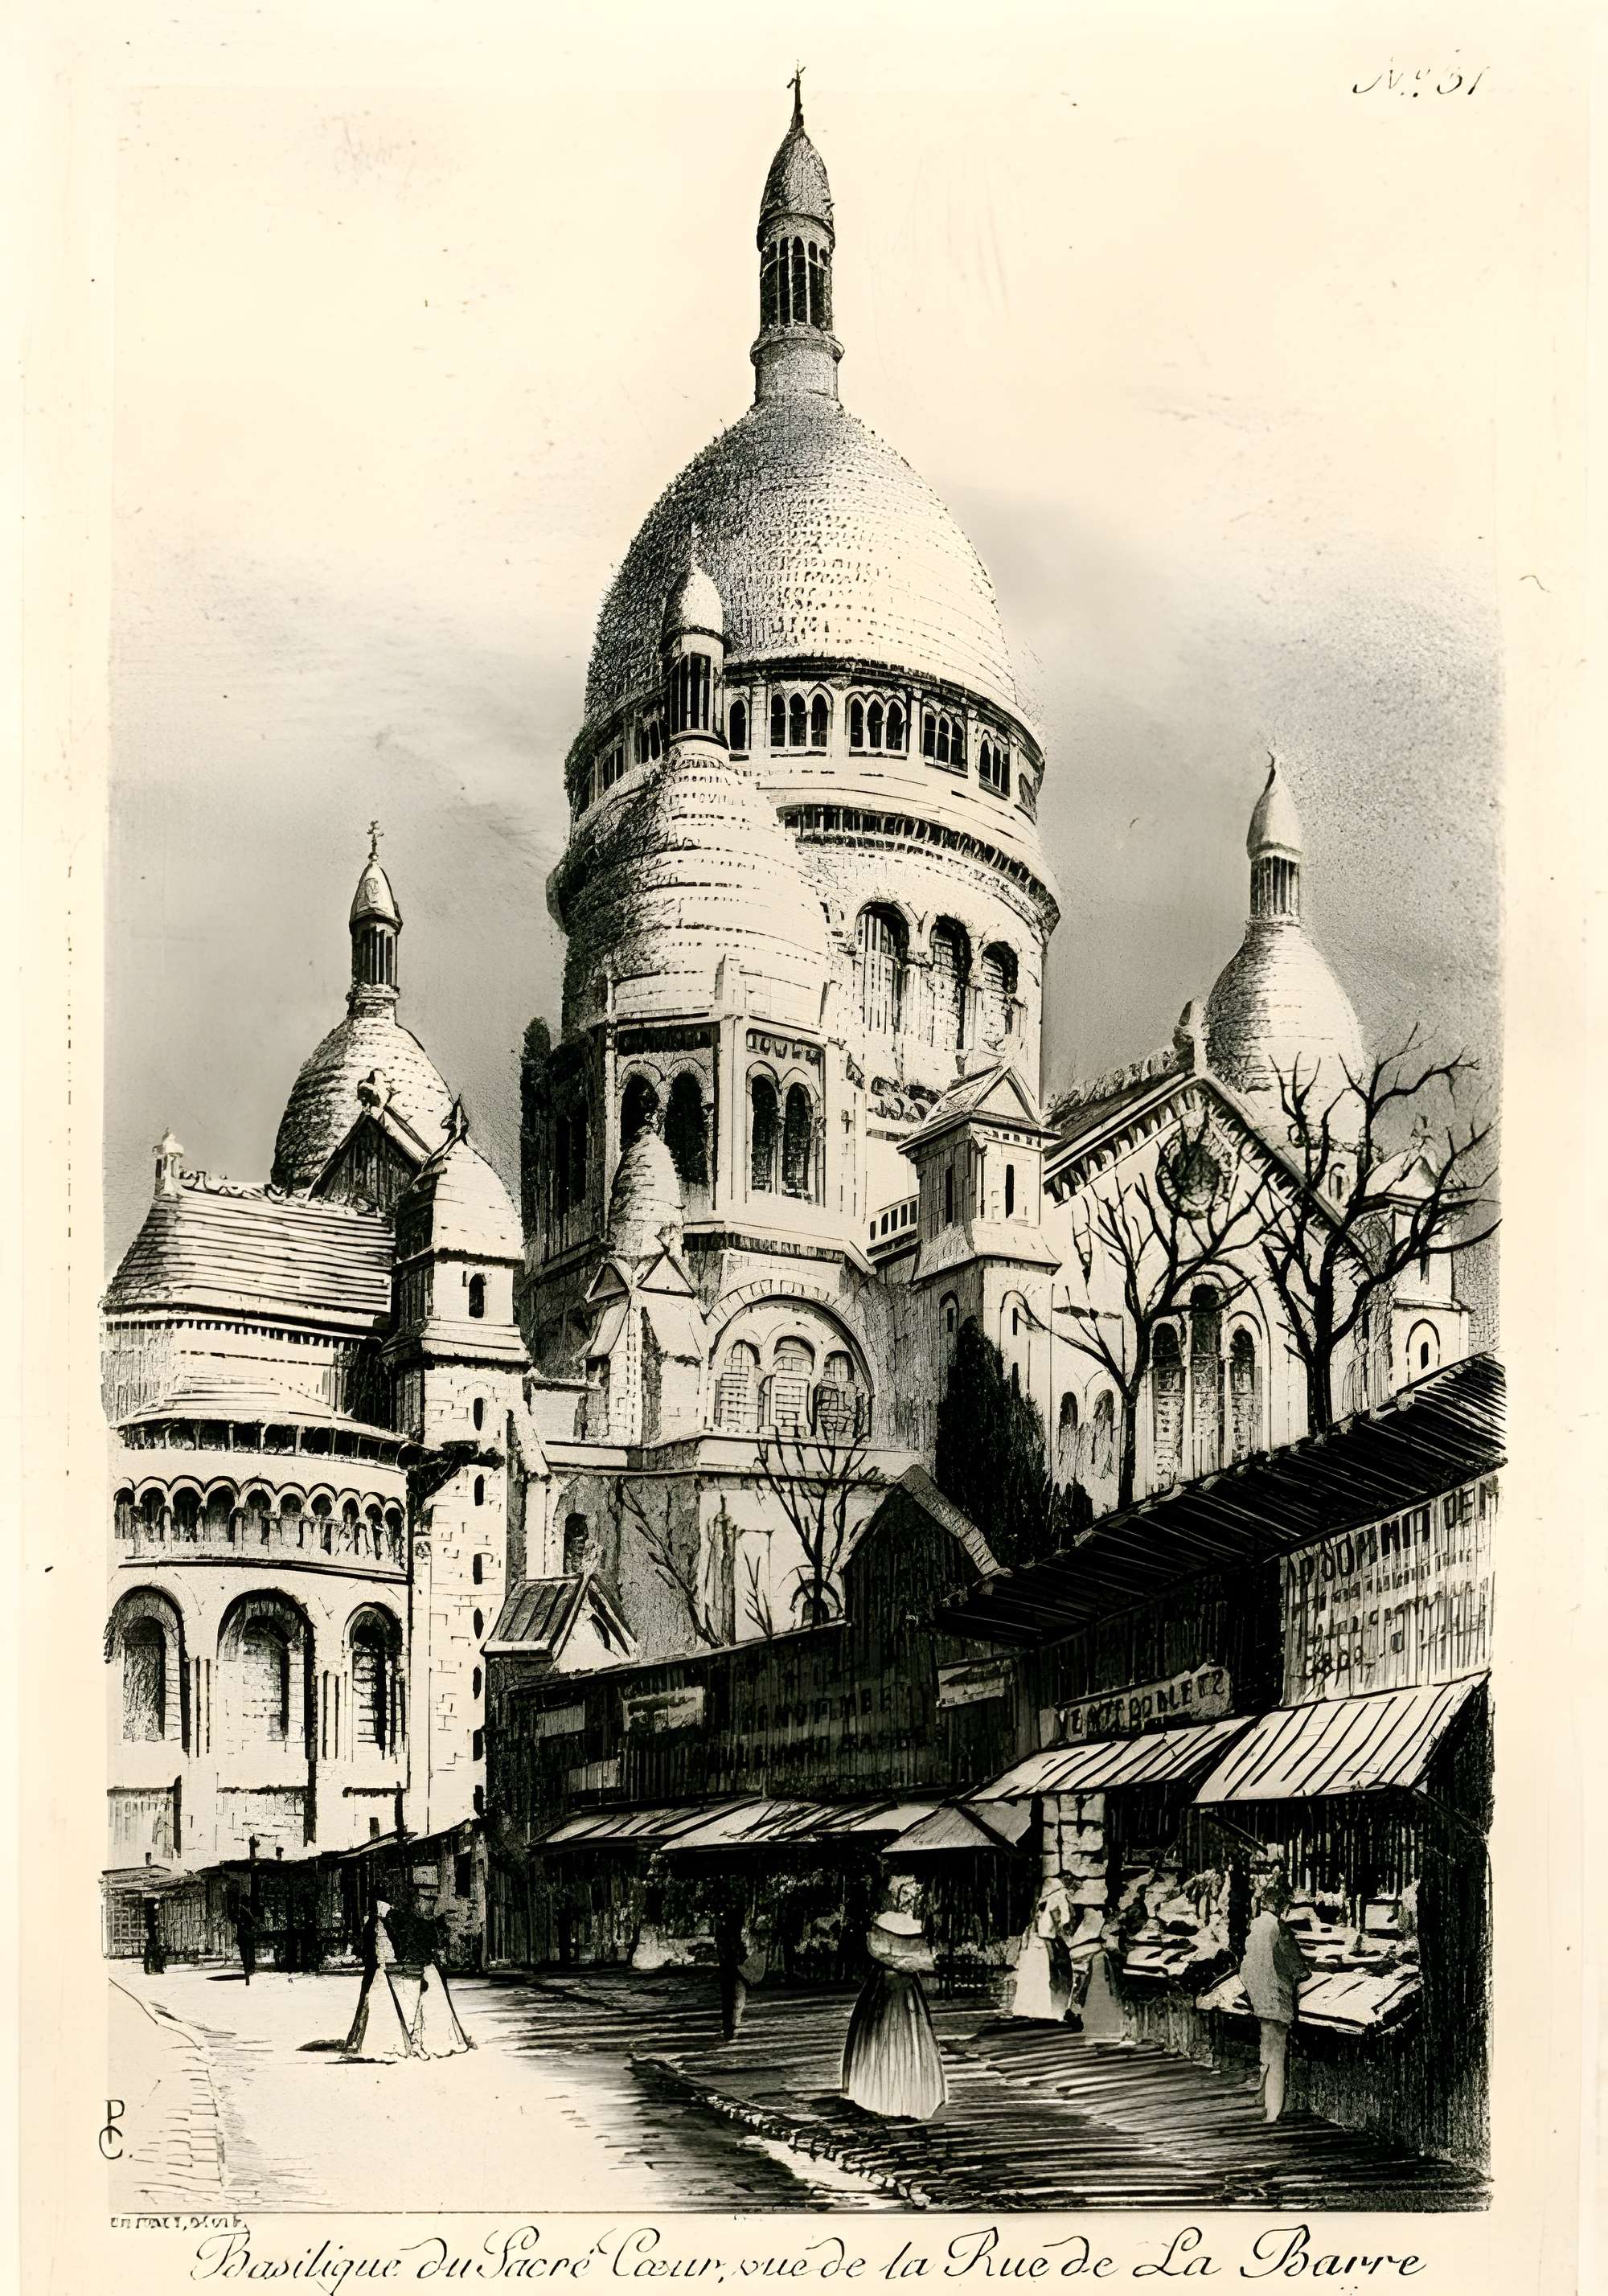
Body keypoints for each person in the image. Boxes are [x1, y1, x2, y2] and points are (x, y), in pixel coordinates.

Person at [841, 1879, 946, 2122]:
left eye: (915, 1894)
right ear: (897, 1895)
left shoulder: (919, 1924)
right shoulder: (885, 1920)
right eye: (906, 1893)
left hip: (907, 1987)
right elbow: (877, 1948)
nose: (911, 1899)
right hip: (885, 1987)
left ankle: (911, 2097)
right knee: (880, 2037)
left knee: (911, 2039)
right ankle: (877, 2095)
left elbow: (924, 1956)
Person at [1239, 1872, 1311, 2122]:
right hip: (1277, 1999)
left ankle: (1261, 2104)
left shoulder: (1255, 1926)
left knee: (1265, 2052)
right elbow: (1299, 1969)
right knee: (1277, 2056)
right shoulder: (1280, 1928)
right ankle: (1273, 2110)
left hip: (1259, 1999)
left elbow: (1246, 1966)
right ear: (1282, 1906)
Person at [343, 1898, 415, 2061]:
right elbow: (372, 1948)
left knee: (378, 2002)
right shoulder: (373, 1926)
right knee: (373, 2002)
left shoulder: (380, 1925)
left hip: (381, 1968)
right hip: (376, 1969)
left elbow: (393, 1945)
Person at [1011, 1870, 1077, 2023]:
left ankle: (1028, 2009)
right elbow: (1066, 1918)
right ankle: (1050, 2011)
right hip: (1047, 1940)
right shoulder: (1060, 1894)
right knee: (1049, 1976)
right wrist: (1060, 1925)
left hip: (1033, 1941)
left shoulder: (1039, 1895)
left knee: (1032, 1977)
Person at [411, 1915, 474, 2058]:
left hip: (429, 1966)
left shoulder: (428, 1924)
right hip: (426, 1965)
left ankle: (435, 2040)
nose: (429, 1908)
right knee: (429, 2003)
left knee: (436, 2003)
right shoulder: (421, 1925)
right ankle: (425, 2041)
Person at [232, 1890, 257, 1986]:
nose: (249, 1902)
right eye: (248, 1900)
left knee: (246, 1955)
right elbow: (251, 1921)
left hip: (244, 1936)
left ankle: (248, 1970)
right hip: (245, 1935)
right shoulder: (243, 1910)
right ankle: (248, 1971)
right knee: (247, 1955)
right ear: (245, 1901)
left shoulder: (243, 1909)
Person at [142, 1896, 166, 1977]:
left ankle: (153, 1969)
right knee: (153, 1953)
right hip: (151, 1937)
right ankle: (154, 1969)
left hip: (152, 1937)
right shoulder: (151, 1915)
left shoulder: (150, 1915)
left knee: (152, 1954)